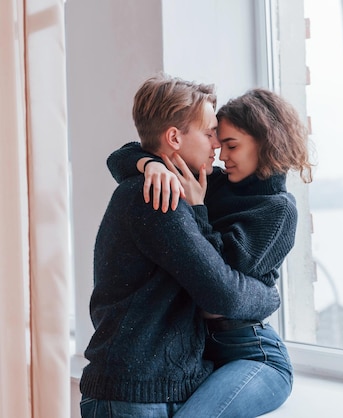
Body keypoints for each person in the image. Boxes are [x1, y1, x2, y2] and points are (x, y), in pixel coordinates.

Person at [80, 74, 284, 418]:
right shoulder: (159, 198)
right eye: (208, 134)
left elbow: (127, 154)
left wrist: (149, 162)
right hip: (134, 396)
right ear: (174, 137)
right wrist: (270, 297)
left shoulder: (166, 187)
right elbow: (222, 295)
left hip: (149, 390)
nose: (216, 146)